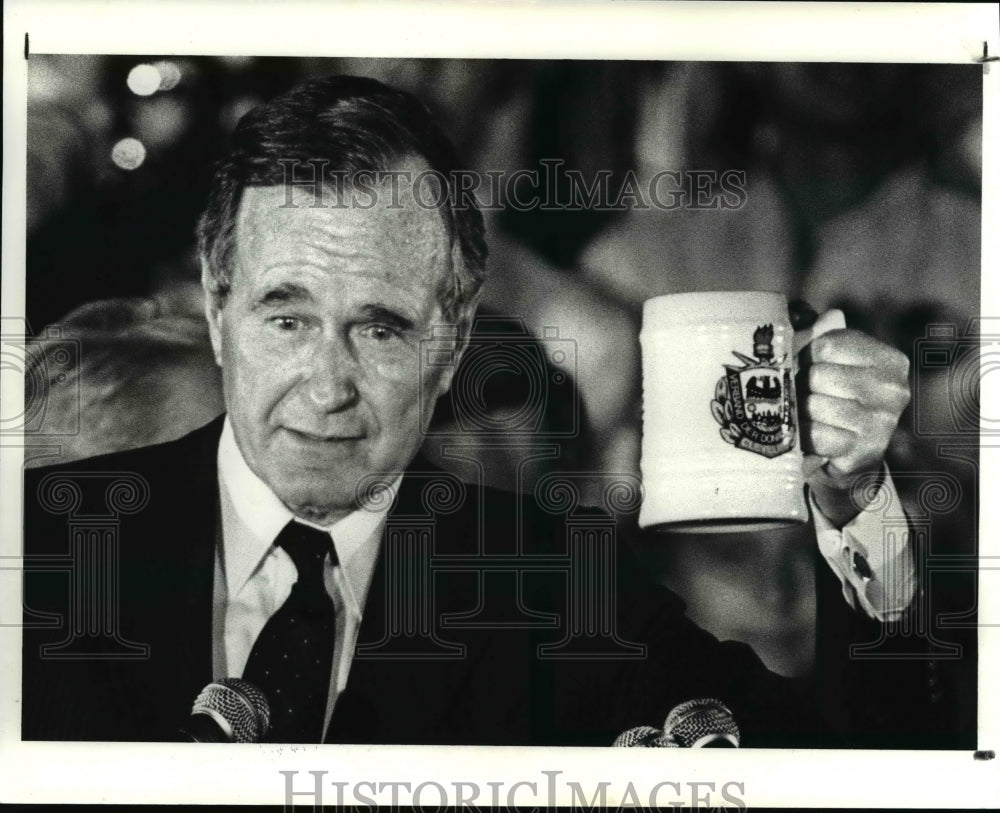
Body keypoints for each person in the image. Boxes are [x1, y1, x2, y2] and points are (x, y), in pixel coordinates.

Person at [22, 75, 933, 747]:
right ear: (219, 314)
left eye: (380, 328)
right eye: (287, 316)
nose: (327, 383)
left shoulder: (549, 580)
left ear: (453, 342)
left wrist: (857, 502)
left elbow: (863, 763)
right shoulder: (39, 546)